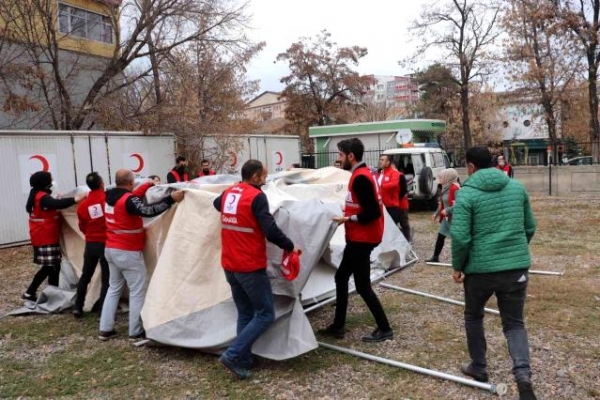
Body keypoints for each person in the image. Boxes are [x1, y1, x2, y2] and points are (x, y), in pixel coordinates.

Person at [451, 147, 537, 400]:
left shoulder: (466, 195)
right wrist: (515, 252)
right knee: (514, 323)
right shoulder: (517, 188)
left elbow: (460, 236)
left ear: (470, 167)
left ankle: (479, 367)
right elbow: (529, 227)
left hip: (479, 271)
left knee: (474, 316)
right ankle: (522, 374)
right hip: (515, 270)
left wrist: (458, 265)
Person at [213, 160, 298, 379]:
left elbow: (216, 203)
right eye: (263, 177)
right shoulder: (257, 197)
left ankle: (243, 358)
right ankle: (232, 354)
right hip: (249, 265)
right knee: (265, 314)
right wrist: (290, 245)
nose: (265, 180)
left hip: (229, 264)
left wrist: (235, 189)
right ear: (255, 178)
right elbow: (269, 229)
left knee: (245, 312)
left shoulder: (229, 192)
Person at [320, 138, 393, 342]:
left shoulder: (361, 177)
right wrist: (347, 212)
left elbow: (373, 212)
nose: (338, 158)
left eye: (341, 154)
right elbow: (362, 205)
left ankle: (385, 328)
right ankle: (338, 326)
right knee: (341, 277)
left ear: (351, 156)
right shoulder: (363, 174)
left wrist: (348, 218)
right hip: (358, 237)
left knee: (362, 286)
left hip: (362, 238)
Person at [99, 169, 184, 341]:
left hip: (110, 248)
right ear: (130, 183)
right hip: (127, 251)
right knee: (137, 290)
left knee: (113, 288)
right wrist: (170, 199)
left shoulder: (110, 196)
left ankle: (105, 328)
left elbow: (131, 199)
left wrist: (146, 184)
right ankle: (135, 331)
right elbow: (147, 210)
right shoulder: (128, 200)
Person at [23, 171, 86, 301]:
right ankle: (30, 292)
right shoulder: (42, 197)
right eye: (50, 179)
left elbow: (53, 202)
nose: (52, 182)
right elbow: (56, 204)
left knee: (54, 266)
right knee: (49, 267)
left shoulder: (39, 194)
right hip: (45, 237)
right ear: (44, 183)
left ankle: (53, 293)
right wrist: (76, 199)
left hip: (45, 236)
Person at [73, 172, 109, 319]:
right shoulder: (107, 199)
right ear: (102, 184)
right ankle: (103, 311)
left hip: (91, 243)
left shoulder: (82, 206)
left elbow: (82, 226)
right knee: (107, 278)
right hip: (106, 242)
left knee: (86, 275)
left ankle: (78, 306)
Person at [426, 168, 460, 263]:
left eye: (442, 176)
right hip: (446, 219)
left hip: (455, 219)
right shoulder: (445, 188)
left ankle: (458, 260)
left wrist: (448, 210)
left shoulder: (455, 188)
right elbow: (442, 204)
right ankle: (435, 257)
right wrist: (436, 214)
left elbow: (459, 204)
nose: (440, 178)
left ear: (448, 177)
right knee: (440, 236)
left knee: (456, 240)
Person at [378, 155, 411, 243]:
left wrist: (381, 186)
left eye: (382, 160)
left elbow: (395, 185)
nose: (380, 161)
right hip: (381, 206)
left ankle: (406, 242)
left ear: (388, 162)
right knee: (383, 228)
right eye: (380, 159)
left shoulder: (395, 174)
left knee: (398, 226)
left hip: (392, 206)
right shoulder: (381, 173)